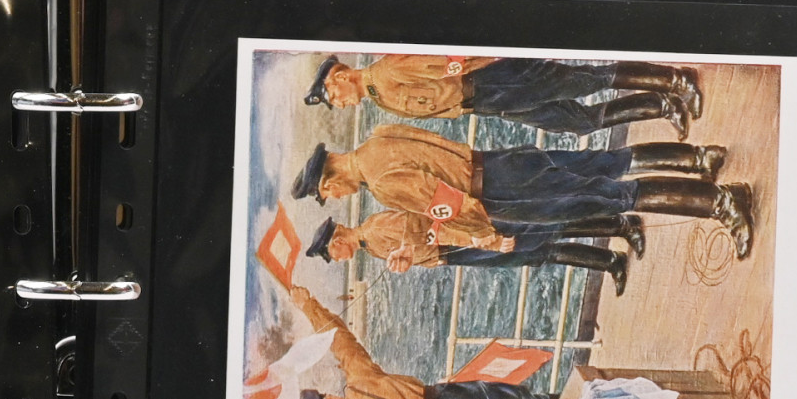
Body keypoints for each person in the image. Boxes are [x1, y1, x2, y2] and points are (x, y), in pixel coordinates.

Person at [291, 121, 751, 258]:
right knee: (600, 172)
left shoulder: (381, 184)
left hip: (500, 193)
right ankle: (707, 173)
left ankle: (721, 202)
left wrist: (486, 238)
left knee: (606, 196)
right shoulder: (379, 136)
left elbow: (449, 203)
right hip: (497, 162)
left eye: (329, 194)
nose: (337, 198)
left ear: (329, 181)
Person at [285, 285, 552, 399]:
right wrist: (308, 305)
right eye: (328, 397)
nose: (333, 396)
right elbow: (339, 340)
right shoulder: (358, 385)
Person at [304, 53, 701, 138]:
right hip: (487, 103)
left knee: (584, 81)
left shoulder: (387, 71)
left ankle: (674, 81)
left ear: (341, 76)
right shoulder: (379, 97)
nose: (340, 105)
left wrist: (499, 59)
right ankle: (660, 105)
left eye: (334, 97)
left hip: (492, 80)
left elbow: (451, 62)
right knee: (574, 122)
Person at [304, 209, 642, 293]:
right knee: (538, 253)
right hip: (455, 253)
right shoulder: (370, 243)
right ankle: (609, 261)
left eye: (332, 254)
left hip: (459, 242)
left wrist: (480, 240)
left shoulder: (375, 230)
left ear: (337, 242)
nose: (338, 259)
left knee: (544, 232)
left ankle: (621, 225)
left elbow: (428, 228)